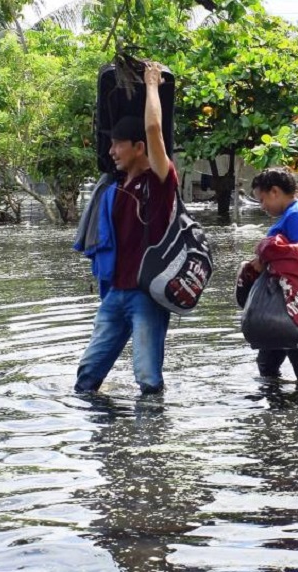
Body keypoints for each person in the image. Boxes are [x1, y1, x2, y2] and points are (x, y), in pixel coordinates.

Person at [73, 62, 178, 394]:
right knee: (86, 379)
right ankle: (107, 439)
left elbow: (154, 131)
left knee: (147, 379)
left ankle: (150, 441)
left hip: (147, 296)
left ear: (138, 148)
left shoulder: (161, 182)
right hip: (115, 295)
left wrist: (151, 86)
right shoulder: (115, 188)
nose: (111, 151)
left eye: (118, 144)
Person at [247, 167, 298, 387]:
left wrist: (268, 252)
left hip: (296, 303)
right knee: (267, 366)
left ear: (275, 191)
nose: (262, 206)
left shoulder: (296, 214)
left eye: (262, 199)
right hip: (292, 300)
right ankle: (280, 415)